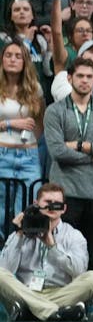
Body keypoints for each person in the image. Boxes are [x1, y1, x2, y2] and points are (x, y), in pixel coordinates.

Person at [43, 57, 93, 274]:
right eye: (80, 76)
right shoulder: (54, 111)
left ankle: (92, 305)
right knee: (61, 251)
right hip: (65, 191)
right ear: (69, 78)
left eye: (90, 76)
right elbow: (58, 152)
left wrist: (79, 146)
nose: (85, 81)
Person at [0, 182, 93, 322]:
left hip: (61, 292)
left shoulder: (74, 235)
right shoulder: (22, 232)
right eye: (47, 202)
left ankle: (32, 311)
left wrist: (52, 246)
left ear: (64, 208)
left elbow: (79, 272)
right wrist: (18, 234)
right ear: (36, 204)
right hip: (26, 292)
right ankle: (54, 311)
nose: (52, 207)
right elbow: (6, 270)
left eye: (57, 204)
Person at [0, 41, 44, 217]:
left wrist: (31, 141)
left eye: (18, 56)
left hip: (28, 157)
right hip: (2, 154)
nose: (12, 59)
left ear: (25, 61)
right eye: (8, 55)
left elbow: (40, 122)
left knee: (27, 212)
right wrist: (10, 124)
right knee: (1, 214)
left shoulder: (35, 89)